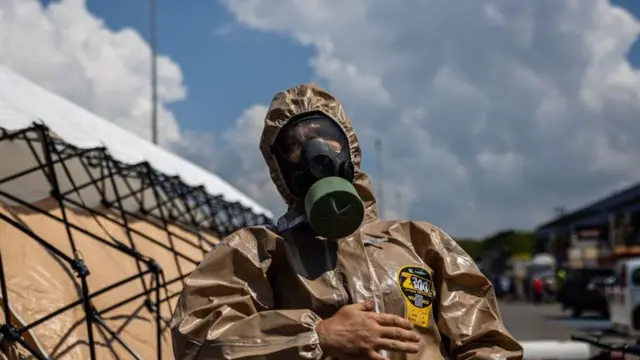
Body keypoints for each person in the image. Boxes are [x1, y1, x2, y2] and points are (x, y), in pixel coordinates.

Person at [170, 83, 523, 360]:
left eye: (326, 139)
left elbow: (487, 343)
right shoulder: (257, 253)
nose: (316, 155)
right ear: (279, 168)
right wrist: (318, 336)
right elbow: (198, 341)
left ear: (349, 148)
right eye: (294, 147)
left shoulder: (420, 242)